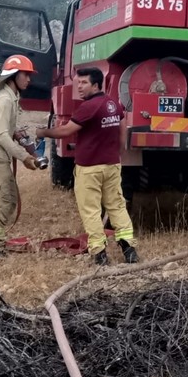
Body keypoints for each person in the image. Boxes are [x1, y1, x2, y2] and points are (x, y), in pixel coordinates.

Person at [37, 67, 139, 265]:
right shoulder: (112, 104)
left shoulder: (88, 107)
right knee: (117, 207)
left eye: (83, 83)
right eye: (78, 83)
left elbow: (66, 131)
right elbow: (122, 129)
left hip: (90, 168)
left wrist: (43, 132)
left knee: (91, 210)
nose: (79, 87)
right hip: (111, 165)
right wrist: (119, 154)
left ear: (96, 84)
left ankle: (99, 253)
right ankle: (129, 250)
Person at [0, 54, 40, 259]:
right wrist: (24, 156)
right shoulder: (5, 100)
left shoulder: (10, 97)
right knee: (2, 204)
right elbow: (1, 135)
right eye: (25, 75)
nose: (29, 79)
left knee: (9, 202)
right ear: (13, 76)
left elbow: (4, 130)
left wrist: (17, 133)